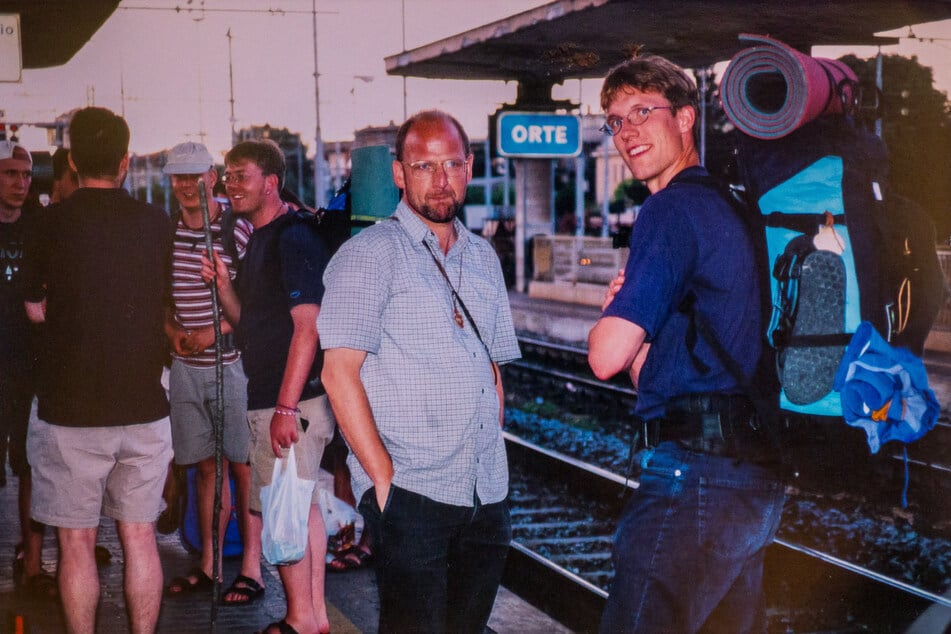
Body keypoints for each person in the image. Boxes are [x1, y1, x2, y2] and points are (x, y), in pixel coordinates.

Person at [587, 55, 785, 633]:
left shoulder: (670, 210)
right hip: (749, 479)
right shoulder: (730, 204)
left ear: (685, 119)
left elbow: (605, 358)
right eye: (615, 120)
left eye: (642, 111)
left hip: (694, 478)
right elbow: (653, 375)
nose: (627, 132)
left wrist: (609, 320)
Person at [319, 110, 521, 634]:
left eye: (452, 163)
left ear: (470, 167)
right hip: (414, 495)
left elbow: (493, 365)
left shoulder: (483, 259)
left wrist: (491, 455)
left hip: (484, 495)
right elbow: (338, 373)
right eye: (424, 165)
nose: (440, 179)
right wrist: (384, 483)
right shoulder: (368, 257)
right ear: (398, 173)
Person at [22, 107, 174, 634]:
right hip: (143, 406)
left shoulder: (48, 223)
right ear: (126, 162)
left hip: (70, 410)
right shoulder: (158, 223)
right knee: (139, 537)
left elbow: (34, 308)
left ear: (71, 159)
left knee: (76, 542)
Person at [202, 139, 334, 634]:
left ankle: (300, 620)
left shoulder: (292, 237)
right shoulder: (257, 238)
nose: (229, 185)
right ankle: (315, 617)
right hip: (283, 401)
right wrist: (223, 287)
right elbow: (248, 322)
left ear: (271, 183)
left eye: (241, 176)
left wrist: (283, 407)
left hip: (287, 405)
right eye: (228, 176)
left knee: (283, 515)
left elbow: (309, 324)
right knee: (303, 510)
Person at [161, 141, 265, 605]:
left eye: (194, 175)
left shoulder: (235, 233)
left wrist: (214, 331)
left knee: (242, 467)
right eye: (177, 177)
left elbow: (258, 306)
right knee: (206, 468)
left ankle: (251, 569)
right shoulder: (168, 236)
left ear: (211, 178)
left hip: (232, 366)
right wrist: (172, 333)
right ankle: (209, 564)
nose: (186, 185)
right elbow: (163, 301)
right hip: (187, 368)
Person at [0, 140, 57, 602]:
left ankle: (34, 564)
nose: (20, 183)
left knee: (30, 466)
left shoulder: (40, 226)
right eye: (10, 173)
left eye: (25, 174)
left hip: (29, 367)